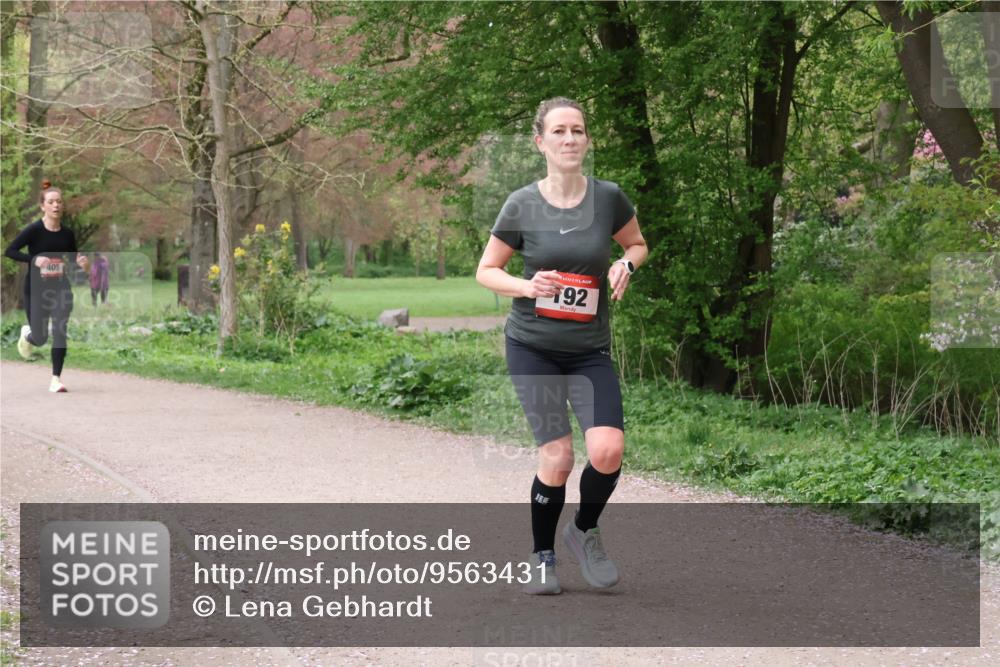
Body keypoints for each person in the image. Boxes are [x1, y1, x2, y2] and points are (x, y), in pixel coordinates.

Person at [476, 97, 648, 594]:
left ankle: (583, 530)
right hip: (533, 347)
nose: (569, 138)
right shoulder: (521, 204)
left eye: (577, 130)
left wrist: (625, 264)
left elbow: (637, 244)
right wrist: (528, 286)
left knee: (608, 450)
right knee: (557, 458)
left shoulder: (609, 198)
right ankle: (542, 555)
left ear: (587, 139)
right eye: (559, 131)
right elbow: (487, 270)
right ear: (540, 142)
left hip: (589, 350)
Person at [4, 180, 89, 392]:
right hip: (36, 289)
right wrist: (34, 260)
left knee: (60, 329)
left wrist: (83, 265)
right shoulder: (34, 230)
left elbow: (72, 260)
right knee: (40, 338)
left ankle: (56, 379)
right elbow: (10, 251)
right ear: (43, 206)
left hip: (60, 288)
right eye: (51, 202)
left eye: (59, 201)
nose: (56, 205)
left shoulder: (67, 234)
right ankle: (28, 335)